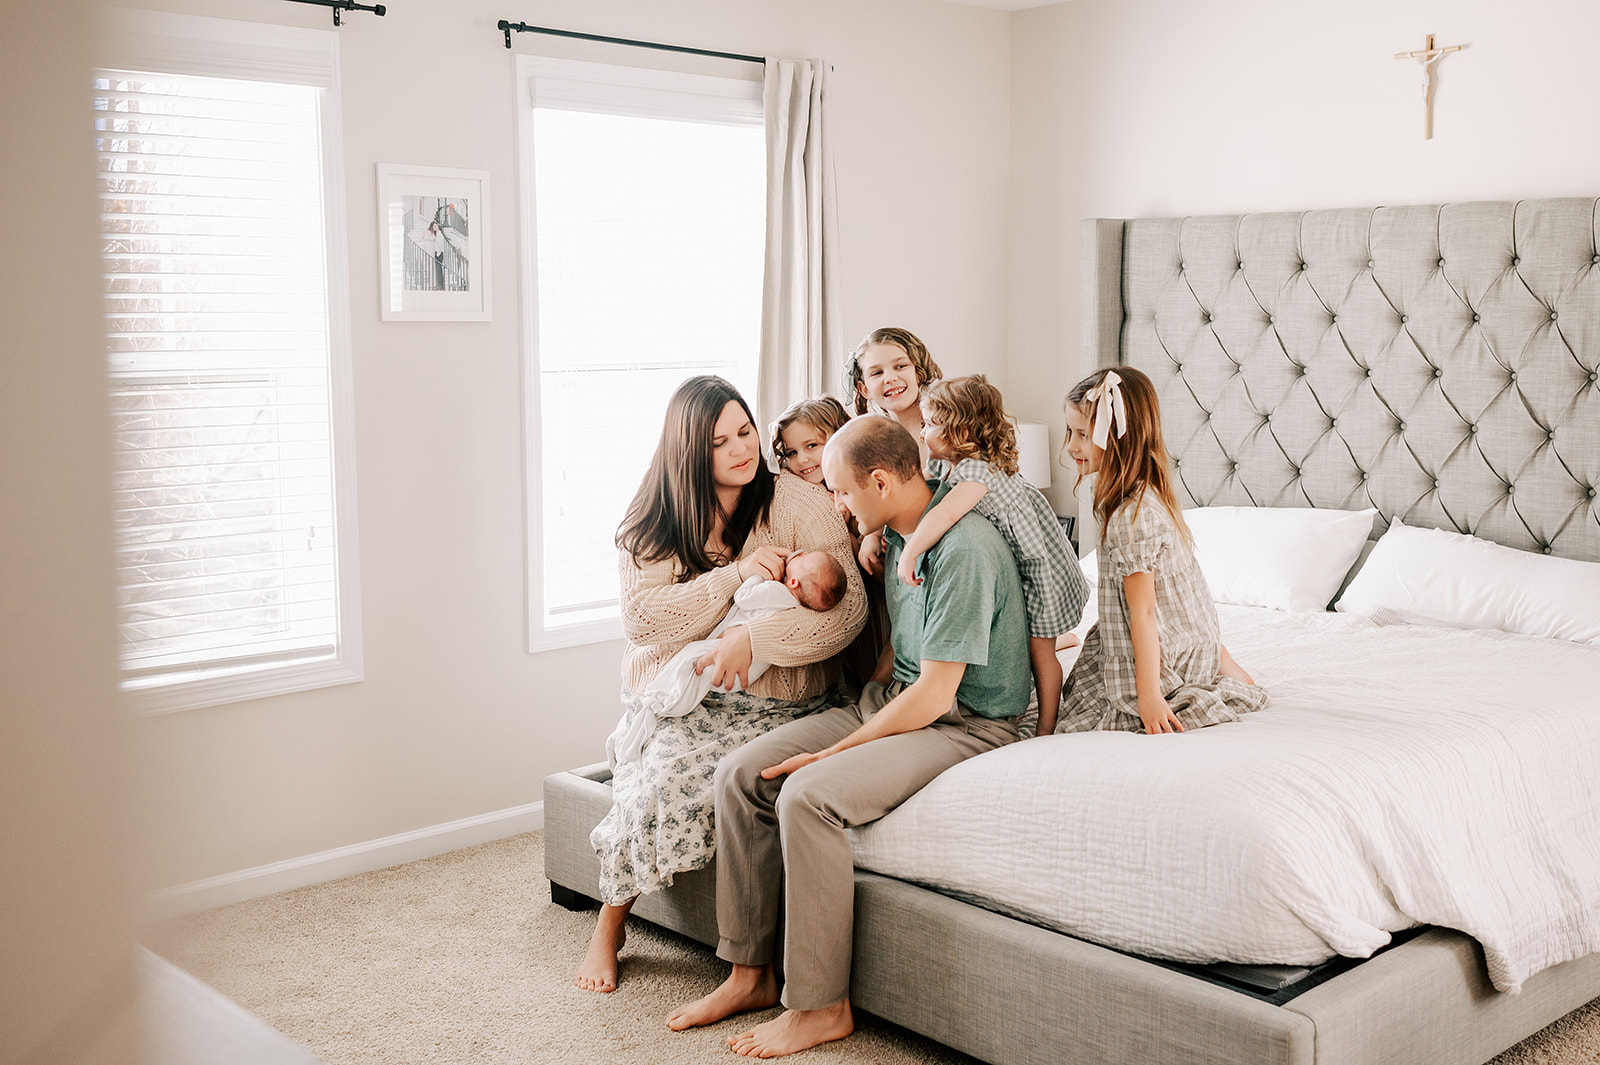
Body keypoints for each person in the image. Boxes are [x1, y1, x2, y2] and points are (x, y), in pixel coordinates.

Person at [667, 415, 1031, 1057]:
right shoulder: (898, 532)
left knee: (806, 795)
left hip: (967, 723)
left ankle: (820, 1005)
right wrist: (852, 714)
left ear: (883, 481)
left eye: (838, 490)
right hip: (895, 700)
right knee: (739, 776)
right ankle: (750, 973)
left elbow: (937, 694)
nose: (831, 504)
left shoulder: (963, 550)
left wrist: (834, 752)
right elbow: (900, 658)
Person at [575, 377, 866, 994]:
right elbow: (644, 619)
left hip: (786, 698)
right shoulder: (653, 515)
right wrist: (732, 579)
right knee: (659, 783)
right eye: (720, 442)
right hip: (695, 698)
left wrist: (756, 642)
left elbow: (848, 610)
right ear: (687, 450)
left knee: (724, 779)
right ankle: (609, 925)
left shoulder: (796, 503)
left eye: (746, 431)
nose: (742, 449)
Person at [1056, 367, 1267, 735]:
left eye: (1083, 435)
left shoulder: (1131, 517)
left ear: (1119, 438)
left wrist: (1149, 694)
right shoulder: (1145, 495)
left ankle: (1200, 678)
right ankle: (1225, 673)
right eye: (1070, 432)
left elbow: (1146, 611)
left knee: (1078, 715)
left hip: (1166, 645)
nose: (1072, 446)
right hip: (1194, 636)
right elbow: (1184, 600)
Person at [895, 375, 1089, 736]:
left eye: (931, 424)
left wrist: (911, 552)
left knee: (1040, 652)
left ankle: (1047, 723)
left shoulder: (977, 472)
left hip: (1036, 571)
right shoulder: (947, 464)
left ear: (961, 434)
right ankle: (1062, 640)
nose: (923, 433)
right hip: (1010, 570)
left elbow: (946, 513)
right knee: (1025, 636)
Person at [606, 551, 848, 768]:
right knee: (687, 676)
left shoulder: (774, 591)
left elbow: (744, 598)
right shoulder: (796, 604)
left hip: (727, 657)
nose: (798, 553)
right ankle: (651, 714)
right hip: (748, 672)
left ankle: (654, 710)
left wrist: (749, 576)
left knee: (686, 665)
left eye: (802, 558)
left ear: (793, 582)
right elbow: (638, 618)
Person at [844, 327, 944, 574]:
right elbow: (882, 498)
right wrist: (872, 535)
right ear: (864, 389)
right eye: (877, 373)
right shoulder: (881, 443)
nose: (889, 378)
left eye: (900, 366)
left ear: (919, 372)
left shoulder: (942, 430)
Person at [770, 396, 851, 488]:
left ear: (836, 438)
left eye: (811, 446)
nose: (801, 460)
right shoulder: (791, 486)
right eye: (792, 453)